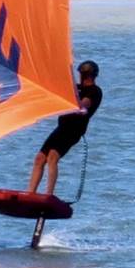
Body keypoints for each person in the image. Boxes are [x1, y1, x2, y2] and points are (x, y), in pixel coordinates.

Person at [27, 59, 102, 198]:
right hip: (61, 128)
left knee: (52, 156)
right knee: (39, 158)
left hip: (73, 130)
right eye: (83, 75)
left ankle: (48, 195)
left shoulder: (95, 91)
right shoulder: (76, 87)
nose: (83, 77)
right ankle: (30, 194)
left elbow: (82, 104)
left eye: (85, 75)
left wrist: (70, 89)